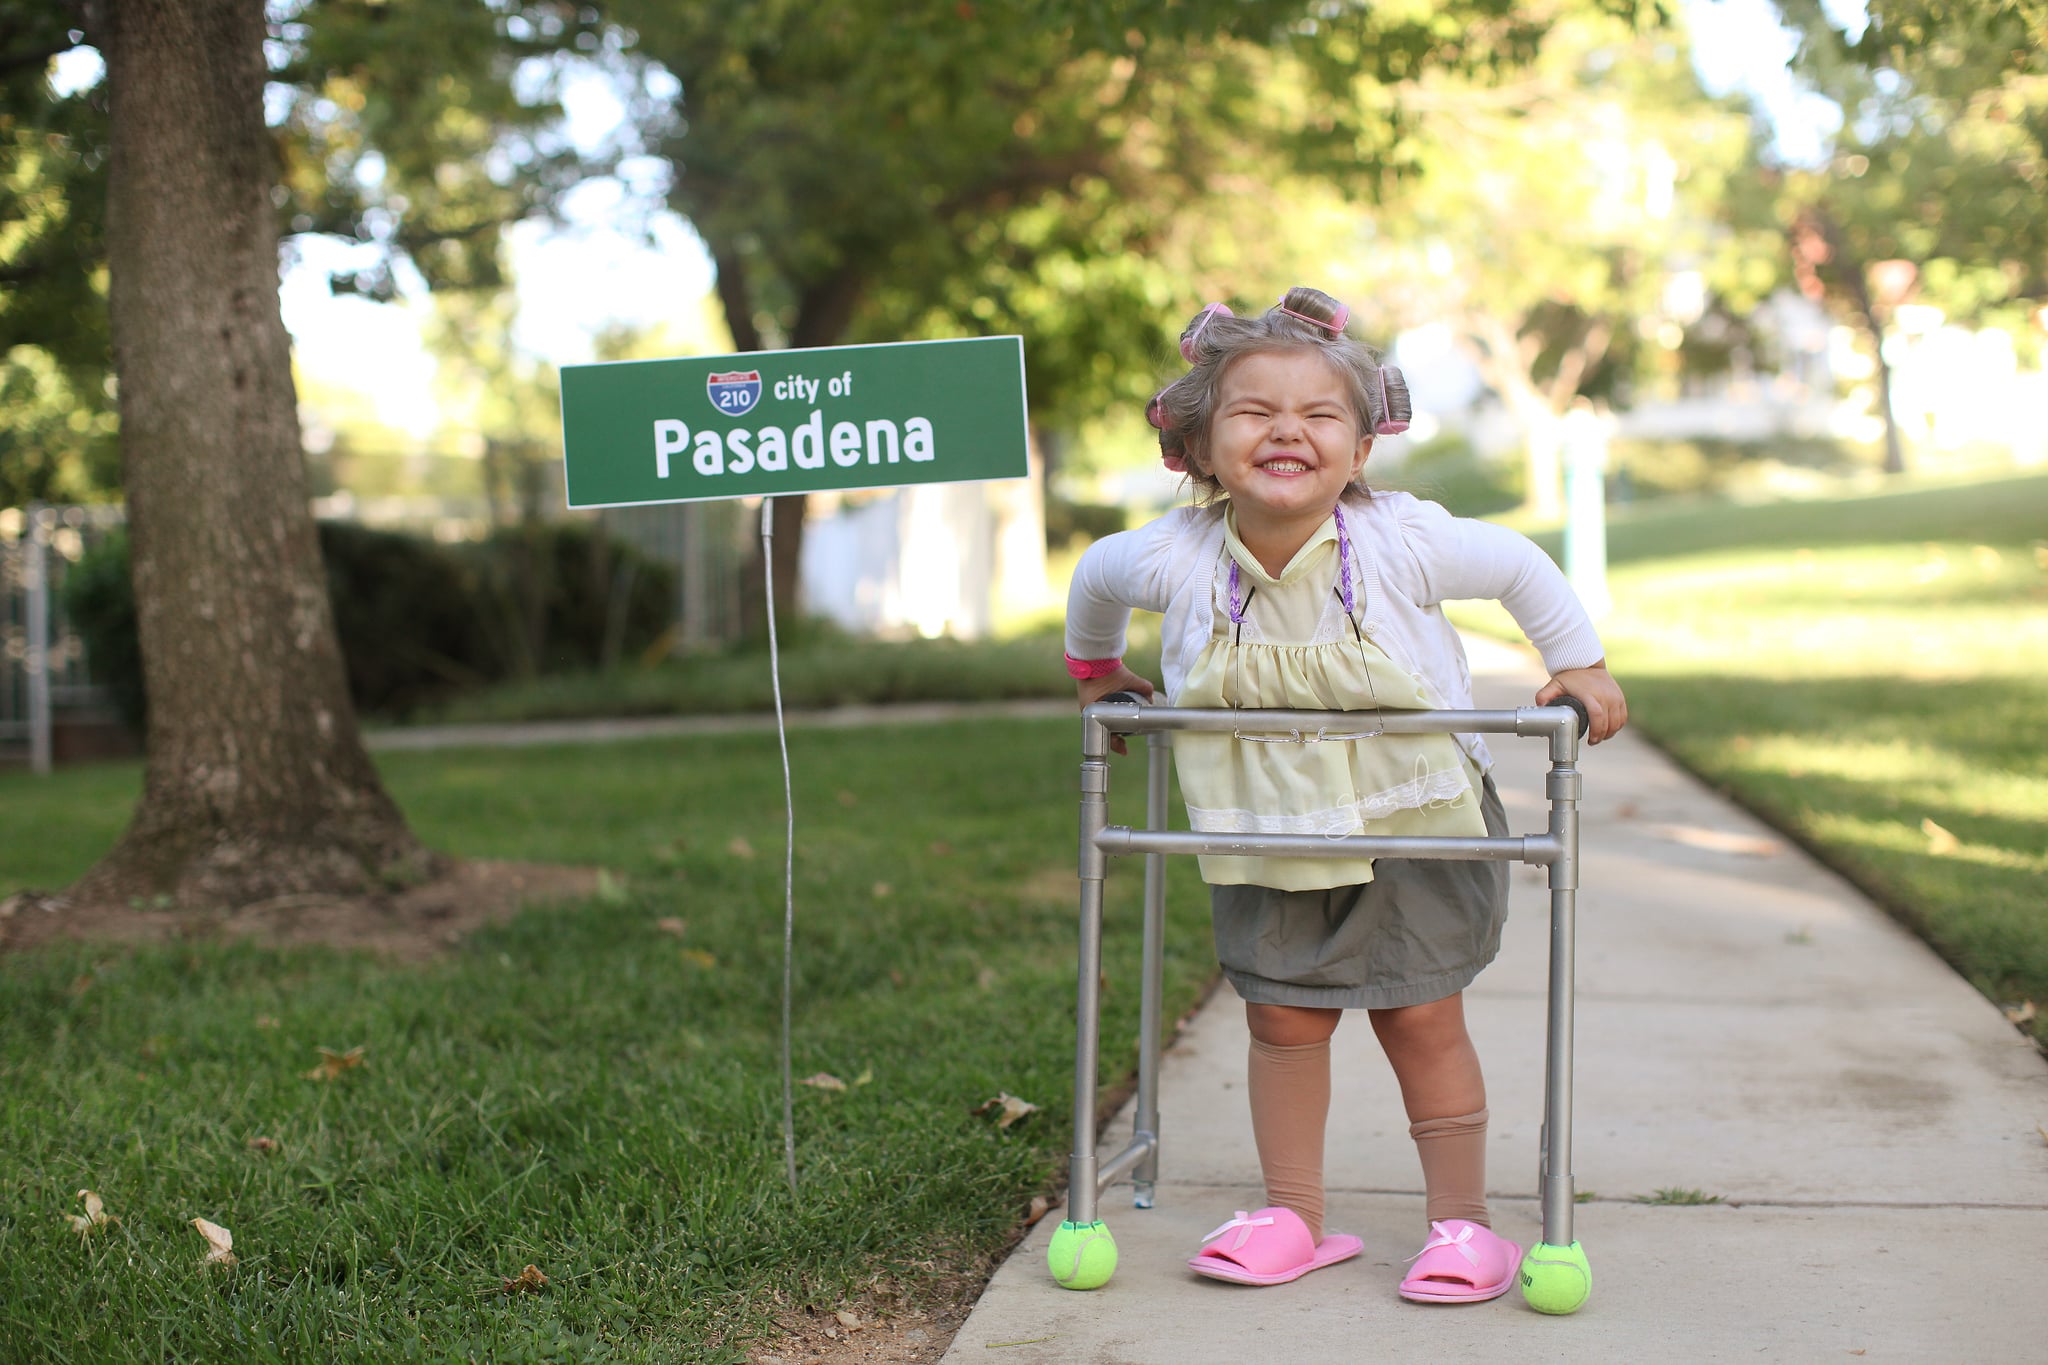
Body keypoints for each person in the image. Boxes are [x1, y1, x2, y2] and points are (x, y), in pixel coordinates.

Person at [1064, 287, 1626, 1299]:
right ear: (1197, 445)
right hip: (1263, 825)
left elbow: (1517, 565)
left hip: (1413, 818)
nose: (1286, 429)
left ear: (1360, 450)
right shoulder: (1173, 557)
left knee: (1418, 1016)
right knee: (1280, 1017)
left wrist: (1577, 663)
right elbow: (1094, 581)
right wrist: (1095, 673)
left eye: (1319, 415)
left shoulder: (1401, 541)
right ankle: (1292, 1213)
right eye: (1251, 412)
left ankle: (1462, 1227)